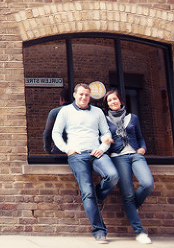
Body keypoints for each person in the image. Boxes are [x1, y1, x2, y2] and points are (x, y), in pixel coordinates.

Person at [52, 83, 118, 244]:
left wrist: (102, 148)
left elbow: (106, 132)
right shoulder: (65, 111)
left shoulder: (97, 112)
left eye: (86, 95)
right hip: (77, 155)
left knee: (113, 176)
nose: (83, 97)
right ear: (75, 95)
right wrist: (67, 149)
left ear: (90, 96)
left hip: (96, 152)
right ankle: (99, 231)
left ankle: (99, 195)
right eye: (81, 94)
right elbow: (56, 133)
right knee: (87, 192)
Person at [104, 89, 154, 245]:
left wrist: (143, 148)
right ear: (107, 104)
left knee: (147, 184)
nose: (113, 102)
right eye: (109, 101)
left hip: (135, 155)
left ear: (121, 101)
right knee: (127, 195)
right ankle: (139, 232)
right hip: (118, 158)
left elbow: (140, 137)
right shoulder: (105, 121)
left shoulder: (133, 118)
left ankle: (132, 206)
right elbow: (103, 139)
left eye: (114, 99)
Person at [43, 88, 73, 154]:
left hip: (59, 151)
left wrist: (48, 150)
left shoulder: (55, 112)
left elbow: (48, 133)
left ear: (61, 98)